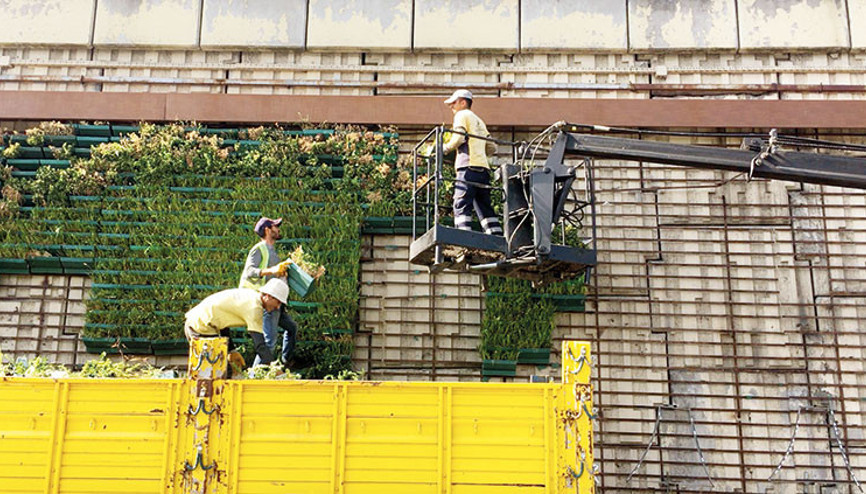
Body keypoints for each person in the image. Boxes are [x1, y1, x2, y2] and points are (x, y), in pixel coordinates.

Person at [184, 278, 289, 366]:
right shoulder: (254, 308)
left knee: (221, 371)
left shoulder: (251, 296)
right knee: (212, 373)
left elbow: (222, 320)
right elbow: (260, 346)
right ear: (268, 296)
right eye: (278, 302)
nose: (278, 307)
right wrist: (275, 368)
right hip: (199, 327)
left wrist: (232, 350)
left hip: (199, 323)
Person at [442, 89, 503, 236]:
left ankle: (463, 240)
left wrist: (444, 148)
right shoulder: (479, 120)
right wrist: (479, 152)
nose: (451, 107)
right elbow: (492, 147)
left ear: (463, 102)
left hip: (467, 167)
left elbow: (459, 138)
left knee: (461, 203)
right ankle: (495, 237)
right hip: (483, 170)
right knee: (484, 206)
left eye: (454, 103)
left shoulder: (461, 115)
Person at [238, 216, 297, 366]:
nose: (278, 230)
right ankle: (254, 376)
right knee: (269, 342)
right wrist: (272, 270)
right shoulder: (259, 249)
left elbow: (273, 274)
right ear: (267, 230)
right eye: (275, 227)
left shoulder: (272, 251)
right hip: (264, 300)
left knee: (291, 328)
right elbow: (249, 271)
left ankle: (284, 362)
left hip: (275, 300)